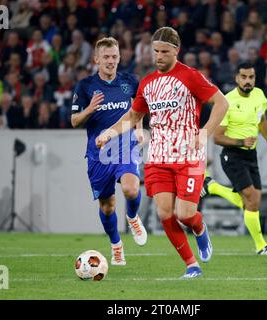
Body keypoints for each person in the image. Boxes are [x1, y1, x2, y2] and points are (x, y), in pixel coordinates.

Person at [96, 27, 228, 279]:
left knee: (185, 214)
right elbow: (134, 115)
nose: (158, 56)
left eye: (164, 52)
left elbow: (222, 103)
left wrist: (205, 131)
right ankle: (191, 265)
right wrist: (109, 133)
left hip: (188, 156)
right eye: (155, 51)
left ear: (176, 51)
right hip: (157, 157)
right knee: (165, 214)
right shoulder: (147, 83)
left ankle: (200, 229)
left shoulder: (190, 76)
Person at [70, 37, 147, 266]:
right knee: (107, 206)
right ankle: (116, 245)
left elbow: (138, 109)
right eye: (106, 57)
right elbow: (74, 120)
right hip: (99, 152)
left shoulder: (130, 82)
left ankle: (132, 217)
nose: (110, 61)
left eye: (114, 56)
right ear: (96, 59)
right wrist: (89, 110)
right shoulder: (85, 86)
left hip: (125, 145)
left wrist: (140, 130)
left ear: (120, 58)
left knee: (131, 189)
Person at [213, 62, 267, 255]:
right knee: (251, 198)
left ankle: (212, 186)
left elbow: (262, 119)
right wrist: (242, 141)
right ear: (237, 79)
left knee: (253, 202)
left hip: (251, 155)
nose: (248, 81)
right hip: (232, 154)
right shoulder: (227, 101)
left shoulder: (259, 95)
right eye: (243, 77)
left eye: (251, 77)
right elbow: (217, 137)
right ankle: (261, 246)